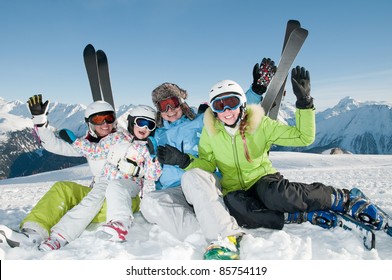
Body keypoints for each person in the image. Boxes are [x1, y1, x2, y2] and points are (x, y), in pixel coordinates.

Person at [156, 67, 386, 259]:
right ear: (214, 110)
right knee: (238, 211)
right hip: (234, 187)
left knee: (277, 196)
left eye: (231, 102)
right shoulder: (211, 132)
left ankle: (343, 198)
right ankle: (301, 216)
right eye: (219, 105)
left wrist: (304, 103)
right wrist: (186, 161)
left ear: (242, 104)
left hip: (261, 178)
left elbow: (303, 137)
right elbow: (207, 162)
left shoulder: (260, 124)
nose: (226, 110)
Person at [0, 96, 140, 248]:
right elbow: (55, 146)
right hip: (98, 193)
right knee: (62, 188)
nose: (105, 124)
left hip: (121, 199)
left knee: (97, 197)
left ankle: (61, 235)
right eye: (98, 119)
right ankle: (32, 234)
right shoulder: (89, 144)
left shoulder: (125, 140)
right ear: (89, 123)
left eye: (109, 117)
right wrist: (40, 123)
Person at [38, 105, 162, 251]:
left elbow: (153, 175)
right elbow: (95, 152)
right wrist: (75, 142)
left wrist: (153, 158)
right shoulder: (115, 138)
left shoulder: (149, 148)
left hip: (128, 184)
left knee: (117, 188)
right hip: (105, 180)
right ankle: (59, 237)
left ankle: (120, 224)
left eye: (150, 125)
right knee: (90, 202)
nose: (145, 128)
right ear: (132, 122)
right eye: (141, 122)